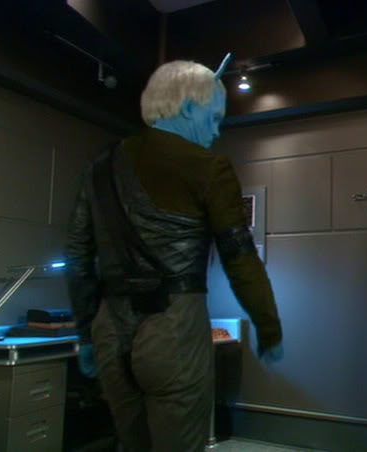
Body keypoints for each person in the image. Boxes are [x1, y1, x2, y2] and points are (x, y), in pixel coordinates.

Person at [65, 54, 283, 452]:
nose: (216, 132)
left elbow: (78, 257)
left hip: (109, 332)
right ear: (186, 108)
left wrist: (86, 334)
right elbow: (240, 257)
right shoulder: (209, 167)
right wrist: (269, 328)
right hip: (174, 330)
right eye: (213, 118)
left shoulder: (98, 168)